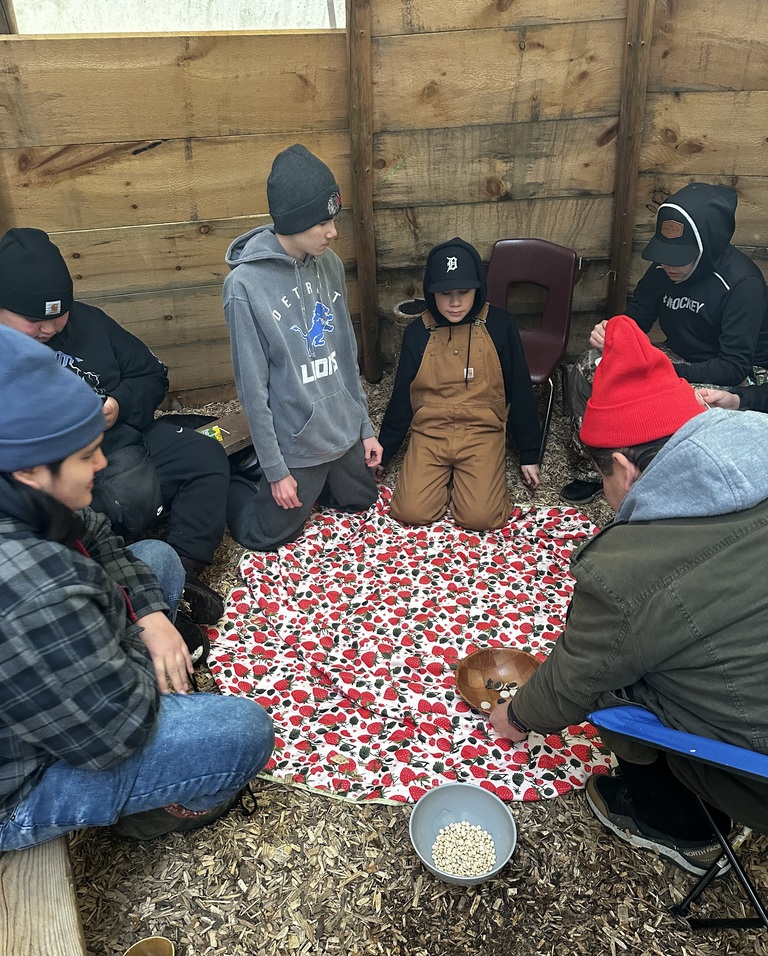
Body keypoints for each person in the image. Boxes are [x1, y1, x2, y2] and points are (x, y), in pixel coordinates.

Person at [490, 315, 768, 876]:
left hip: (756, 766)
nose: (610, 500)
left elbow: (577, 675)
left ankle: (676, 821)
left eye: (605, 481)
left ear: (623, 466)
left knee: (618, 687)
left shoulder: (629, 569)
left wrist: (517, 714)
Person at [0, 327, 275, 850]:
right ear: (33, 470)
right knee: (242, 731)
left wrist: (148, 616)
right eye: (85, 456)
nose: (101, 465)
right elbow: (112, 734)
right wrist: (142, 649)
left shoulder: (20, 491)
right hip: (19, 787)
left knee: (158, 559)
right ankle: (154, 810)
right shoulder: (31, 587)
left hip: (52, 687)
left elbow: (100, 535)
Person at [0, 227, 229, 625]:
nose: (50, 330)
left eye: (59, 316)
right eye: (34, 320)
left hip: (124, 440)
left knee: (204, 453)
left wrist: (119, 405)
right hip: (55, 475)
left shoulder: (91, 323)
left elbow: (152, 375)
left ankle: (186, 568)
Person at [561, 182, 768, 503]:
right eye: (664, 253)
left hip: (738, 373)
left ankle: (667, 482)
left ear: (707, 247)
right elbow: (633, 323)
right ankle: (597, 469)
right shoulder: (662, 271)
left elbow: (734, 366)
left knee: (691, 400)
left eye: (679, 257)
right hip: (681, 357)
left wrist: (665, 374)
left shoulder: (743, 284)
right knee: (591, 363)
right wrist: (611, 333)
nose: (668, 264)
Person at [223, 144, 382, 551]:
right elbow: (253, 389)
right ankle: (235, 477)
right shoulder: (244, 287)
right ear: (294, 221)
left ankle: (323, 480)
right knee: (264, 536)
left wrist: (364, 429)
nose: (333, 232)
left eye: (334, 219)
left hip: (341, 428)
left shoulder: (328, 262)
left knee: (363, 501)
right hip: (297, 439)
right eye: (322, 222)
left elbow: (346, 354)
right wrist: (276, 472)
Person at [377, 238, 541, 530]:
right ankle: (444, 483)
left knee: (480, 518)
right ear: (430, 291)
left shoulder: (500, 325)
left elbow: (518, 388)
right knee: (409, 511)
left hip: (482, 432)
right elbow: (403, 395)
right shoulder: (418, 332)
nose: (455, 302)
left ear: (478, 288)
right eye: (445, 293)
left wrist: (529, 453)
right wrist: (385, 451)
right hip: (431, 433)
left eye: (464, 292)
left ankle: (471, 486)